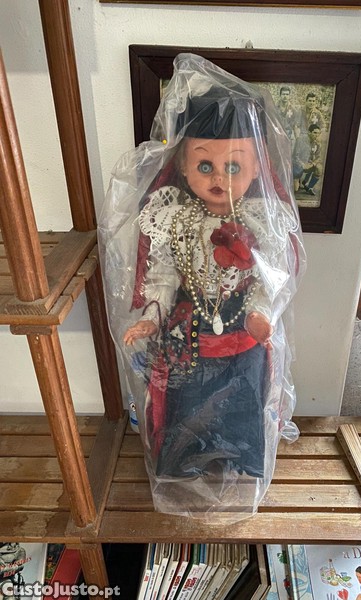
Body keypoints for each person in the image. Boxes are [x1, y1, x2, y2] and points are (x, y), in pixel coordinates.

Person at [99, 54, 305, 516]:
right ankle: (181, 460)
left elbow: (268, 277)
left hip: (242, 338)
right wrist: (152, 317)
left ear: (256, 168)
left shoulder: (259, 222)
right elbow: (163, 275)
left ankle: (244, 458)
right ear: (183, 165)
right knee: (187, 404)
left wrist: (260, 313)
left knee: (244, 403)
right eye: (205, 166)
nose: (218, 179)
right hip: (188, 342)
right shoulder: (175, 218)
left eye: (233, 167)